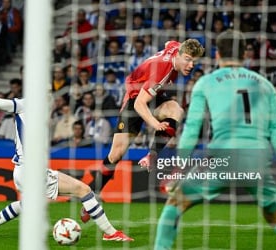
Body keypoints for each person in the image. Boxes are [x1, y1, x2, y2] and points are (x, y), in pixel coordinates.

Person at [153, 30, 276, 250]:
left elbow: (191, 130)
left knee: (174, 205)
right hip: (257, 158)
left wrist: (177, 169)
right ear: (245, 54)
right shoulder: (265, 85)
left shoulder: (205, 83)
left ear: (217, 55)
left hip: (222, 156)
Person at [0, 77, 133, 241]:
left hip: (22, 172)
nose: (47, 96)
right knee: (83, 189)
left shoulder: (41, 112)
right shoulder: (26, 104)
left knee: (28, 203)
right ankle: (110, 233)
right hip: (30, 170)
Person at [81, 38, 204, 222]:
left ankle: (152, 155)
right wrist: (155, 124)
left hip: (150, 93)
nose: (191, 65)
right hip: (134, 99)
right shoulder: (163, 72)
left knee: (176, 110)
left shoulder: (175, 48)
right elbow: (139, 105)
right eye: (187, 59)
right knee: (116, 155)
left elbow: (168, 42)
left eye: (194, 61)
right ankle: (90, 197)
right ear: (178, 55)